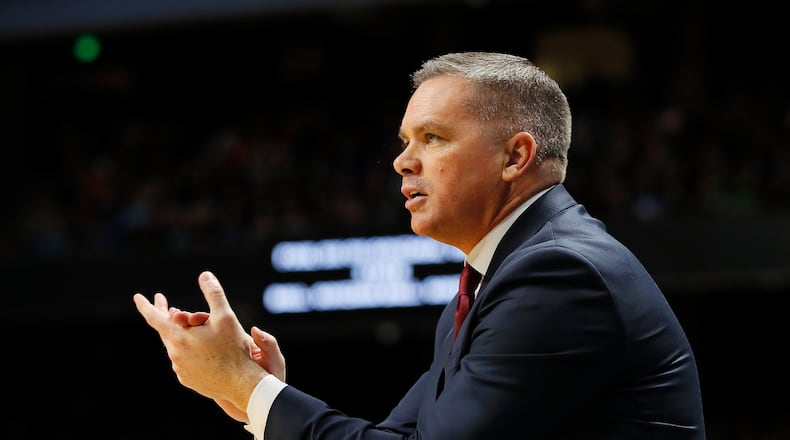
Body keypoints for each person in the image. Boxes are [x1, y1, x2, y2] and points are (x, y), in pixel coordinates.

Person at [134, 51, 706, 439]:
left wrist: (247, 384)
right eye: (406, 140)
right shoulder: (498, 279)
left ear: (515, 157)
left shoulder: (558, 276)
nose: (402, 161)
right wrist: (256, 395)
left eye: (432, 138)